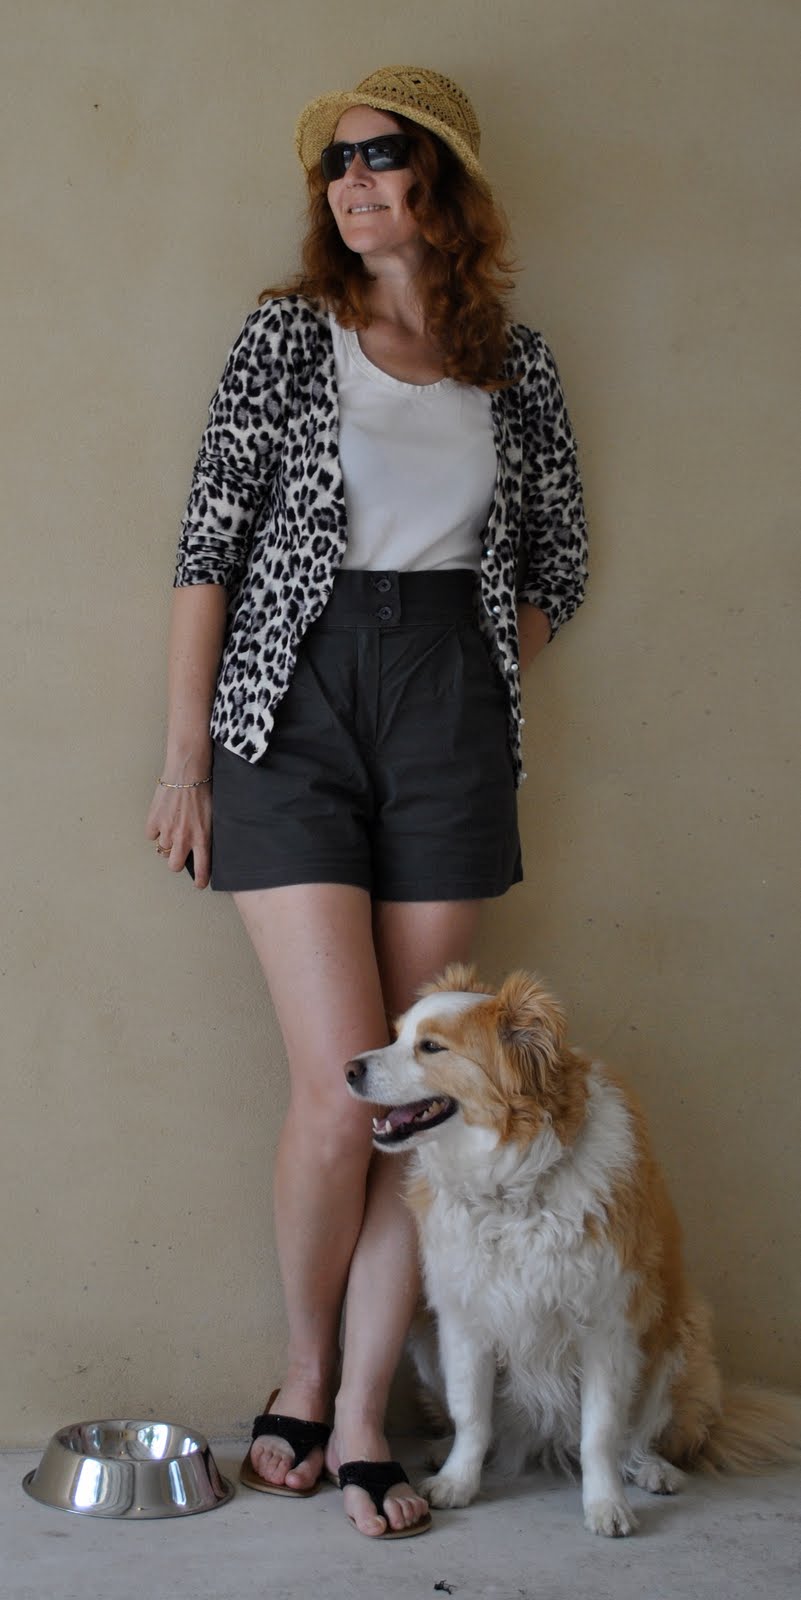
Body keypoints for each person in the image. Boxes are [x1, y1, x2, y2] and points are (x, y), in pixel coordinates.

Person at [146, 65, 588, 1539]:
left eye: (381, 155)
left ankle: (355, 1417)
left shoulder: (513, 364)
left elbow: (556, 565)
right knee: (343, 1089)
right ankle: (301, 1367)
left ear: (442, 181)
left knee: (422, 1099)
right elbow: (208, 546)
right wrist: (188, 759)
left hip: (448, 704)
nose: (351, 181)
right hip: (292, 705)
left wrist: (473, 682)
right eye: (334, 162)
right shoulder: (286, 337)